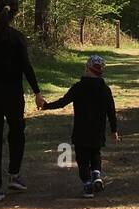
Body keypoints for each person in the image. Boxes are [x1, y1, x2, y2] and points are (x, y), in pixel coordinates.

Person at [0, 0, 45, 203]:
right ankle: (14, 174)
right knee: (17, 132)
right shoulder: (18, 38)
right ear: (16, 14)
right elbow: (26, 67)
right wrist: (37, 92)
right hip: (14, 94)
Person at [42, 54, 118, 197]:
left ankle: (88, 186)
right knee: (95, 155)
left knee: (82, 159)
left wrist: (46, 106)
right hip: (98, 131)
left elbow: (63, 102)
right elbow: (111, 112)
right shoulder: (105, 89)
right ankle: (96, 175)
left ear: (87, 69)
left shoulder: (78, 87)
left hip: (81, 132)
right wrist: (114, 130)